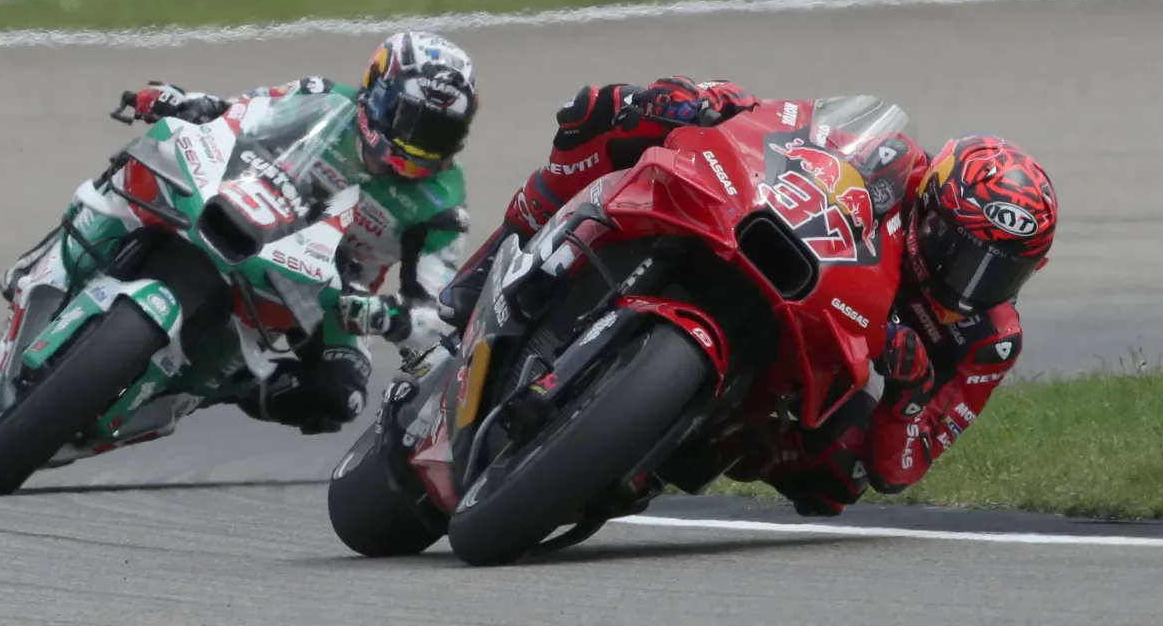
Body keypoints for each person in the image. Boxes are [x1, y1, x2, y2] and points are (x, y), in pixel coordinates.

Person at [435, 76, 1058, 516]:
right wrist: (717, 102)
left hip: (820, 365)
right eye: (962, 253)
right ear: (932, 206)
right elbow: (799, 130)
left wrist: (909, 394)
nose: (971, 283)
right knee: (602, 114)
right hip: (798, 265)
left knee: (840, 476)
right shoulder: (897, 163)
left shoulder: (989, 341)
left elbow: (902, 467)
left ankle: (671, 446)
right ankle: (496, 261)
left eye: (1000, 274)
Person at [0, 30, 480, 436]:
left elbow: (434, 311)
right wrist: (183, 103)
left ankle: (221, 385)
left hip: (332, 288)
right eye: (410, 121)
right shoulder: (323, 96)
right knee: (150, 156)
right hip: (252, 202)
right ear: (375, 94)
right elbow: (240, 111)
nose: (418, 143)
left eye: (437, 134)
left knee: (340, 397)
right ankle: (56, 252)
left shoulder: (443, 207)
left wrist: (384, 317)